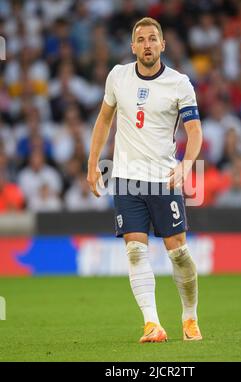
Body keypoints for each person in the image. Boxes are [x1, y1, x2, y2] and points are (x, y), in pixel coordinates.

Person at [87, 17, 203, 343]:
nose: (147, 45)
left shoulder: (180, 83)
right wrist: (93, 162)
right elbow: (103, 120)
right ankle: (152, 324)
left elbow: (194, 131)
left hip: (164, 179)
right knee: (136, 251)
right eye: (141, 39)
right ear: (132, 46)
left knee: (178, 253)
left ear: (163, 45)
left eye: (153, 39)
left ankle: (189, 316)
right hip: (126, 179)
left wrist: (187, 165)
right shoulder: (117, 76)